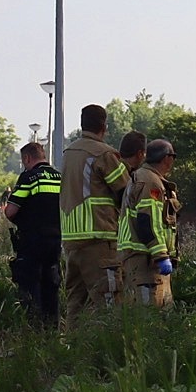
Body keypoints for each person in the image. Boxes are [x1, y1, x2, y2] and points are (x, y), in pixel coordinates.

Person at [59, 105, 128, 324]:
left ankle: (73, 352)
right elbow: (126, 191)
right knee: (109, 303)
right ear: (103, 126)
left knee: (75, 306)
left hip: (71, 242)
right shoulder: (103, 153)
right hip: (98, 240)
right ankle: (108, 353)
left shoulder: (69, 153)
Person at [4, 141, 62, 324]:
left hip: (32, 241)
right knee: (51, 286)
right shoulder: (59, 177)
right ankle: (53, 329)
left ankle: (34, 330)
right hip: (55, 241)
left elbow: (10, 211)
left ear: (27, 158)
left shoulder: (28, 177)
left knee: (30, 286)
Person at [118, 138, 178, 307]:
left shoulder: (144, 177)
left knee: (159, 311)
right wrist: (161, 256)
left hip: (144, 257)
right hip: (145, 259)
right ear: (167, 158)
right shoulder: (150, 181)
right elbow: (147, 220)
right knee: (149, 314)